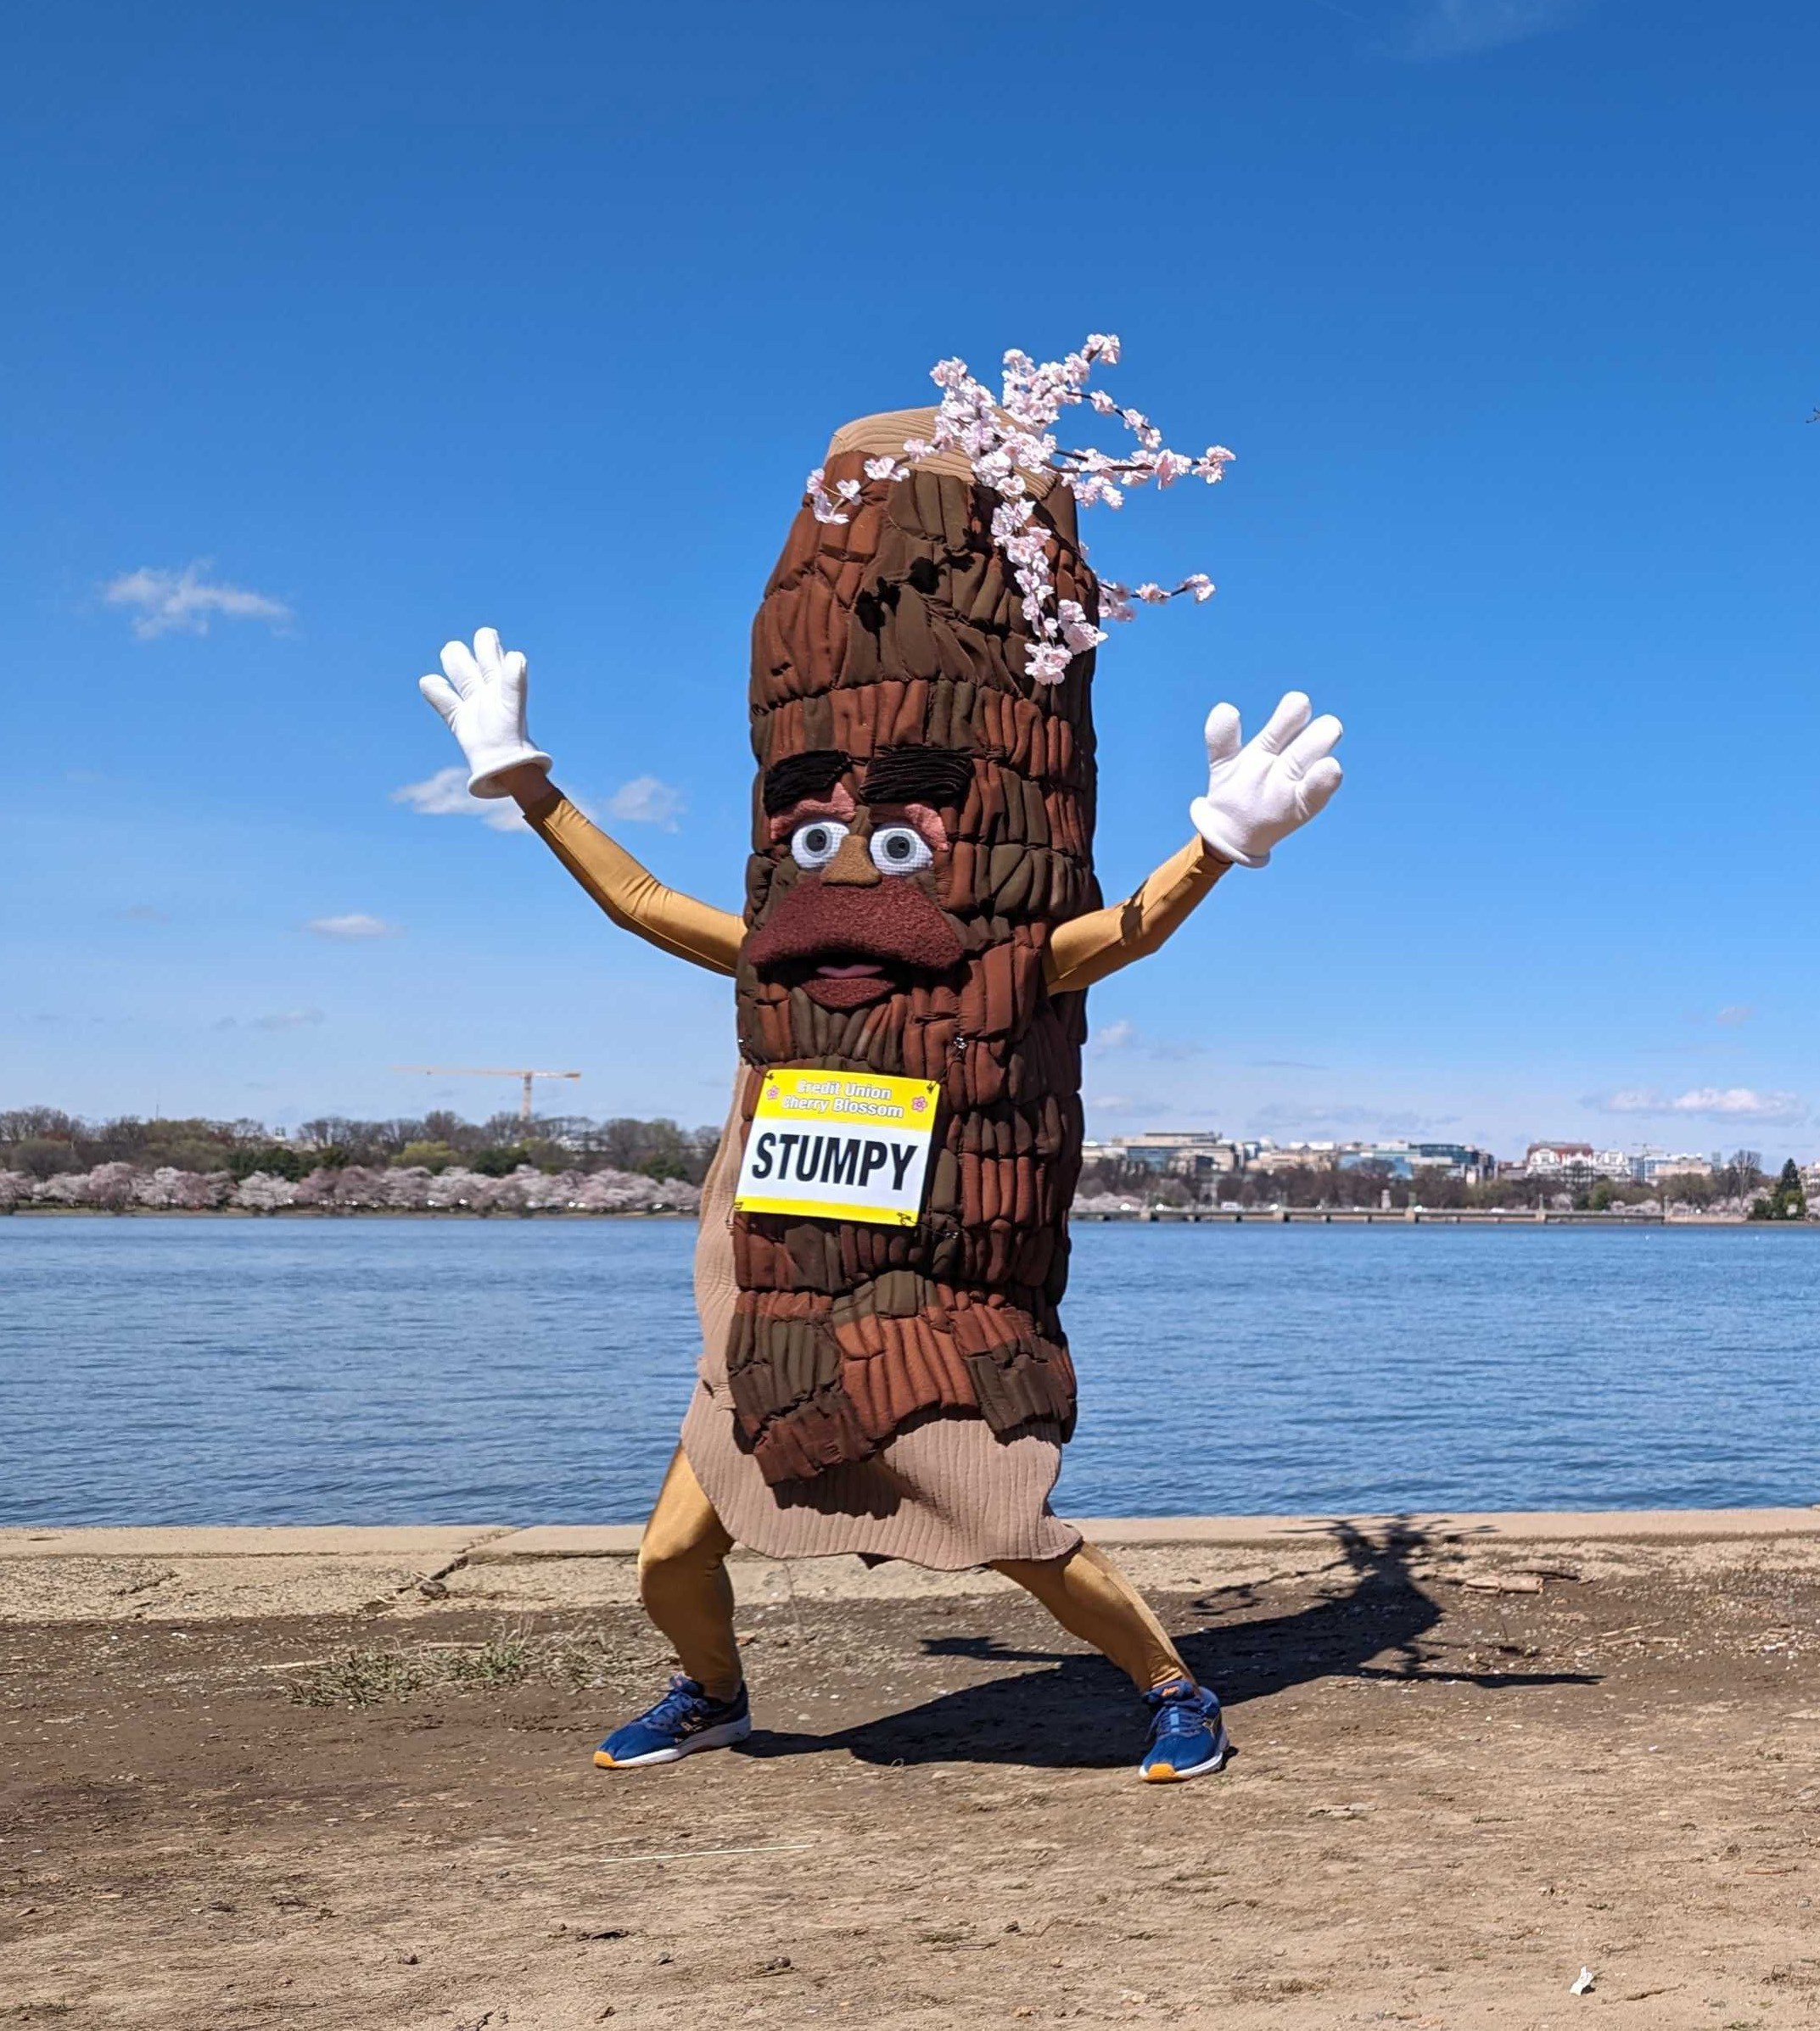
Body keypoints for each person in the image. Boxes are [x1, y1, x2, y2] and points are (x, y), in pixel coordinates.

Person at [415, 405, 1343, 1782]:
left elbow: (1121, 932)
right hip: (781, 1299)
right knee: (670, 1552)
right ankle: (713, 1691)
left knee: (1015, 1530)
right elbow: (647, 902)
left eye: (893, 837)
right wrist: (525, 782)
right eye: (816, 835)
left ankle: (1173, 1688)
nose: (846, 867)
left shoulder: (1002, 964)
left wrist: (1216, 843)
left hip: (935, 1302)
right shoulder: (780, 965)